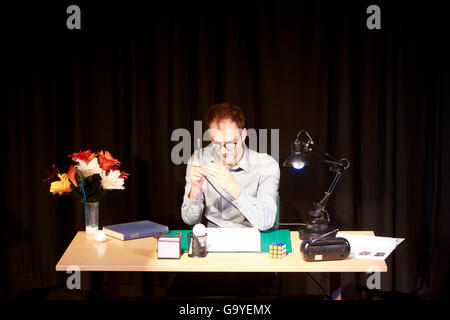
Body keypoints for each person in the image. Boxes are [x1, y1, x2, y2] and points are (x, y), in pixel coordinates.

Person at [181, 102, 280, 231]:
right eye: (216, 143)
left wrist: (232, 186)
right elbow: (189, 219)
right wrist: (195, 190)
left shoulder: (266, 165)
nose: (223, 151)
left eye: (230, 143)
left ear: (243, 135)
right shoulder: (200, 159)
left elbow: (266, 222)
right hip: (213, 240)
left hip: (252, 237)